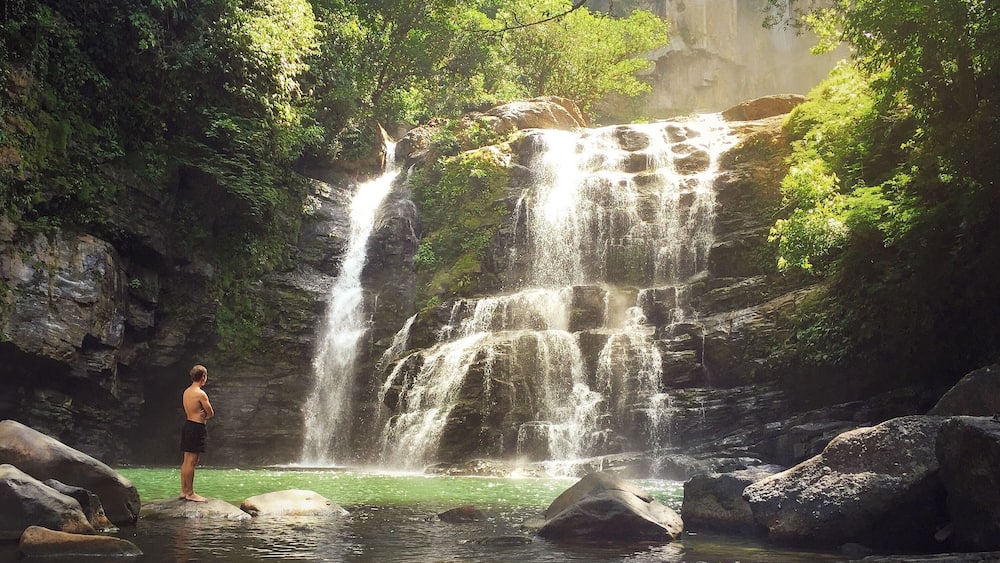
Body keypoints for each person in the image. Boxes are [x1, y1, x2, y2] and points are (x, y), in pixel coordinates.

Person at [180, 364, 214, 502]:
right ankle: (190, 493)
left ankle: (183, 491)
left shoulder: (187, 391)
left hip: (188, 425)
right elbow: (210, 412)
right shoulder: (200, 393)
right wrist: (204, 416)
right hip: (196, 427)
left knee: (186, 461)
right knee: (192, 461)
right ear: (203, 377)